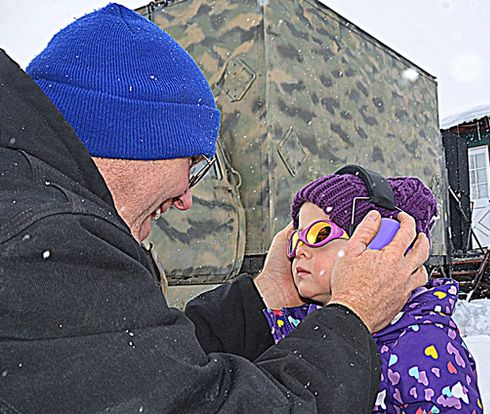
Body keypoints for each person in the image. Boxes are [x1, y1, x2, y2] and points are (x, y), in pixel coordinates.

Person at [0, 4, 429, 412]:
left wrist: (264, 295)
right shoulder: (47, 236)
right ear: (133, 135)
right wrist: (353, 315)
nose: (186, 196)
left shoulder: (31, 213)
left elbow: (145, 365)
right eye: (190, 162)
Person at [257, 172, 483, 413]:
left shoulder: (425, 349)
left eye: (319, 234)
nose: (299, 250)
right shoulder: (294, 326)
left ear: (380, 244)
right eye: (296, 239)